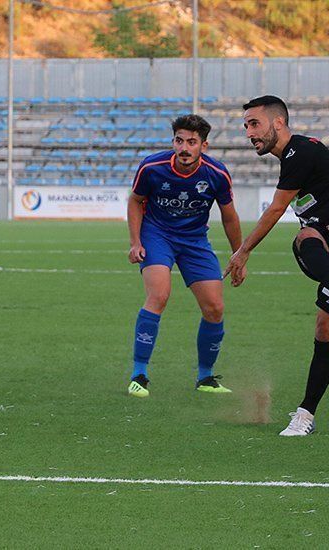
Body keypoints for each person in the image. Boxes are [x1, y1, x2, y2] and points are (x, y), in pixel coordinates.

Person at [224, 95, 329, 437]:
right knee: (306, 237)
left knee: (326, 329)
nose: (249, 133)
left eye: (254, 124)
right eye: (245, 126)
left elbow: (275, 210)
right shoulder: (305, 150)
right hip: (324, 243)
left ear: (278, 123)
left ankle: (305, 414)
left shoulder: (297, 153)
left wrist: (242, 252)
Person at [126, 114, 242, 397]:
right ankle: (139, 374)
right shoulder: (152, 167)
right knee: (159, 295)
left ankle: (205, 378)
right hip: (158, 234)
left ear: (204, 145)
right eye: (179, 141)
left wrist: (239, 255)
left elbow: (229, 217)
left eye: (192, 142)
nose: (184, 148)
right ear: (173, 141)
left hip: (194, 240)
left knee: (215, 307)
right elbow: (135, 201)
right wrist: (135, 241)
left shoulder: (217, 173)